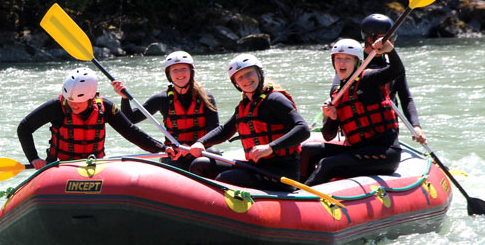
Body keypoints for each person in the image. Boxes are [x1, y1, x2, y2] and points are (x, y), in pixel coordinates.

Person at [188, 54, 309, 191]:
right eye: (240, 77)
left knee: (226, 178)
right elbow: (225, 130)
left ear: (259, 73)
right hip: (256, 167)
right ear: (236, 84)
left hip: (281, 173)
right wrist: (200, 142)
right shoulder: (245, 106)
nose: (245, 79)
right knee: (200, 165)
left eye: (249, 73)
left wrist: (270, 147)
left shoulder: (275, 99)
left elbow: (303, 129)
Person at [17, 68, 171, 169]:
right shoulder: (56, 106)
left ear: (91, 98)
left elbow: (130, 131)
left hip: (94, 166)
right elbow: (24, 127)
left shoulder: (105, 107)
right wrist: (34, 158)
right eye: (69, 101)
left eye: (78, 102)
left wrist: (162, 148)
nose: (72, 105)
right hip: (60, 167)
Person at [300, 38, 404, 186]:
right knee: (308, 150)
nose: (342, 63)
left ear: (357, 62)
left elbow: (397, 71)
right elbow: (328, 136)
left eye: (347, 59)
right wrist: (332, 118)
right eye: (338, 59)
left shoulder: (368, 79)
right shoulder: (337, 93)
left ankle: (304, 195)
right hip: (356, 150)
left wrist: (390, 51)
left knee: (327, 163)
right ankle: (295, 187)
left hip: (384, 153)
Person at [111, 50, 219, 170]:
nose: (180, 73)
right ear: (169, 75)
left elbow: (214, 132)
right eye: (175, 70)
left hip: (199, 151)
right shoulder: (162, 99)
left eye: (183, 68)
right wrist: (124, 98)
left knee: (205, 161)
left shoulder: (206, 98)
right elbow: (132, 118)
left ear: (191, 71)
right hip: (174, 154)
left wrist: (195, 146)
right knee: (173, 166)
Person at [357, 13, 426, 143]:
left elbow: (406, 97)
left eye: (393, 37)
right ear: (371, 40)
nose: (392, 42)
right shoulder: (353, 61)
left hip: (387, 129)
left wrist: (416, 126)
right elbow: (336, 88)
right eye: (388, 38)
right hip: (360, 129)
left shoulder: (393, 63)